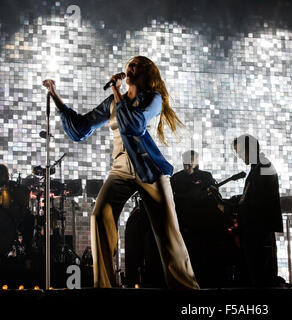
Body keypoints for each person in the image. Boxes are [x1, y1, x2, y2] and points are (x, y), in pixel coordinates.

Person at [43, 56, 199, 289]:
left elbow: (133, 125)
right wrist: (56, 98)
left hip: (149, 169)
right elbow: (81, 130)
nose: (129, 68)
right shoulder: (113, 102)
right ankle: (104, 286)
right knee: (99, 215)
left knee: (168, 230)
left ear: (146, 73)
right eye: (129, 65)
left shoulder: (152, 99)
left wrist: (116, 90)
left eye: (135, 65)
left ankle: (185, 287)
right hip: (120, 169)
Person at [216, 134, 283, 287]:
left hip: (258, 232)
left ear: (249, 149)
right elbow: (254, 197)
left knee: (258, 277)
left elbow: (257, 203)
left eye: (240, 152)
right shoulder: (260, 167)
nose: (239, 156)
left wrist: (228, 207)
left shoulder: (263, 168)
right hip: (257, 231)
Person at [171, 150, 229, 287]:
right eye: (185, 159)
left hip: (204, 224)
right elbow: (171, 199)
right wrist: (187, 197)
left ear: (196, 162)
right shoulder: (176, 178)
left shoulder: (206, 176)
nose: (188, 163)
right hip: (184, 224)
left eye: (191, 160)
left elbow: (215, 197)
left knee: (205, 255)